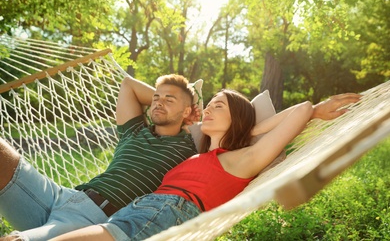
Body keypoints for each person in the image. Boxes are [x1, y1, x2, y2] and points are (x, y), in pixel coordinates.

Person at [49, 90, 361, 241]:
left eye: (219, 106)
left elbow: (303, 108)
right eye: (208, 106)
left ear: (236, 118)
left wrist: (248, 130)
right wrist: (239, 129)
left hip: (165, 216)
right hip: (137, 211)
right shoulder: (199, 155)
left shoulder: (238, 160)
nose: (208, 110)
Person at [0, 74, 200, 241]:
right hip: (62, 196)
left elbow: (221, 135)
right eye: (156, 98)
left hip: (95, 221)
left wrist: (188, 113)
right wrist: (169, 102)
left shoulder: (189, 148)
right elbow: (128, 84)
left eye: (169, 100)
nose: (158, 103)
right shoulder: (135, 130)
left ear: (188, 110)